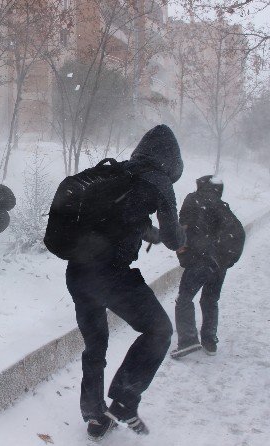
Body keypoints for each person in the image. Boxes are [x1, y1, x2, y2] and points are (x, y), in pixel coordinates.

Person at [64, 125, 186, 440]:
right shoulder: (158, 180)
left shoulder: (115, 173)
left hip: (78, 273)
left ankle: (94, 415)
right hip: (110, 275)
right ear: (171, 161)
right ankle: (124, 400)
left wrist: (148, 233)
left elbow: (118, 216)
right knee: (159, 330)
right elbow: (174, 238)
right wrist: (177, 236)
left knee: (95, 346)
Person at [171, 175, 244, 359]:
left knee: (185, 298)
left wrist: (184, 252)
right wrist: (227, 261)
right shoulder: (222, 206)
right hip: (220, 262)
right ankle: (209, 341)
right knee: (210, 300)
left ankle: (188, 341)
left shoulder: (192, 200)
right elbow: (237, 233)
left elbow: (182, 229)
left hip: (201, 258)